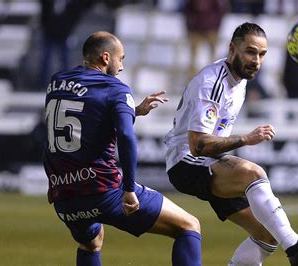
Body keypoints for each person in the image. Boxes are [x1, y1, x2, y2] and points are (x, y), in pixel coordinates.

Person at [164, 22, 298, 266]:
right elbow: (198, 145)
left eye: (262, 54)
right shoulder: (212, 82)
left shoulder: (241, 80)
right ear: (232, 48)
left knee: (266, 236)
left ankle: (291, 245)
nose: (256, 60)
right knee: (253, 174)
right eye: (250, 51)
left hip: (207, 162)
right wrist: (246, 139)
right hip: (186, 162)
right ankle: (296, 247)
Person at [43, 31, 202, 266]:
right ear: (106, 58)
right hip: (104, 191)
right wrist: (128, 189)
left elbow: (76, 122)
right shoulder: (115, 88)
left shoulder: (56, 83)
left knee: (91, 241)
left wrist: (133, 111)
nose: (122, 66)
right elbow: (126, 136)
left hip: (65, 198)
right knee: (189, 225)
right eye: (121, 58)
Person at [183, 0, 227, 78]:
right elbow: (187, 11)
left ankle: (214, 74)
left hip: (210, 29)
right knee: (193, 54)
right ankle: (192, 76)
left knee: (213, 53)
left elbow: (220, 11)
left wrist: (216, 26)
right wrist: (189, 26)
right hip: (196, 28)